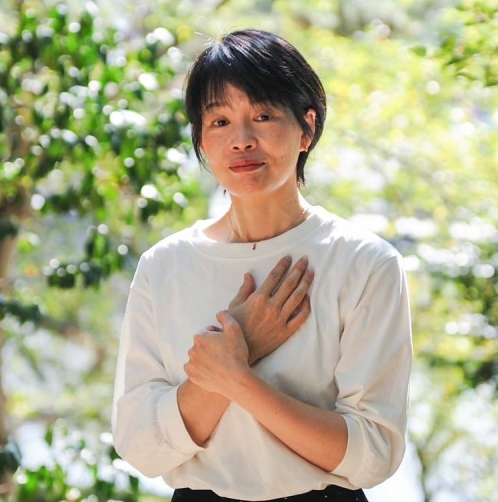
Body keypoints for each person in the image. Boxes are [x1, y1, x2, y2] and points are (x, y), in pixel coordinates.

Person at [112, 29, 412, 502]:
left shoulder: (364, 263)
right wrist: (244, 340)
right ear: (200, 139)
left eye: (263, 116)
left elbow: (372, 454)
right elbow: (142, 447)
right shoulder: (164, 266)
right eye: (220, 121)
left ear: (307, 128)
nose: (241, 140)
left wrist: (236, 376)